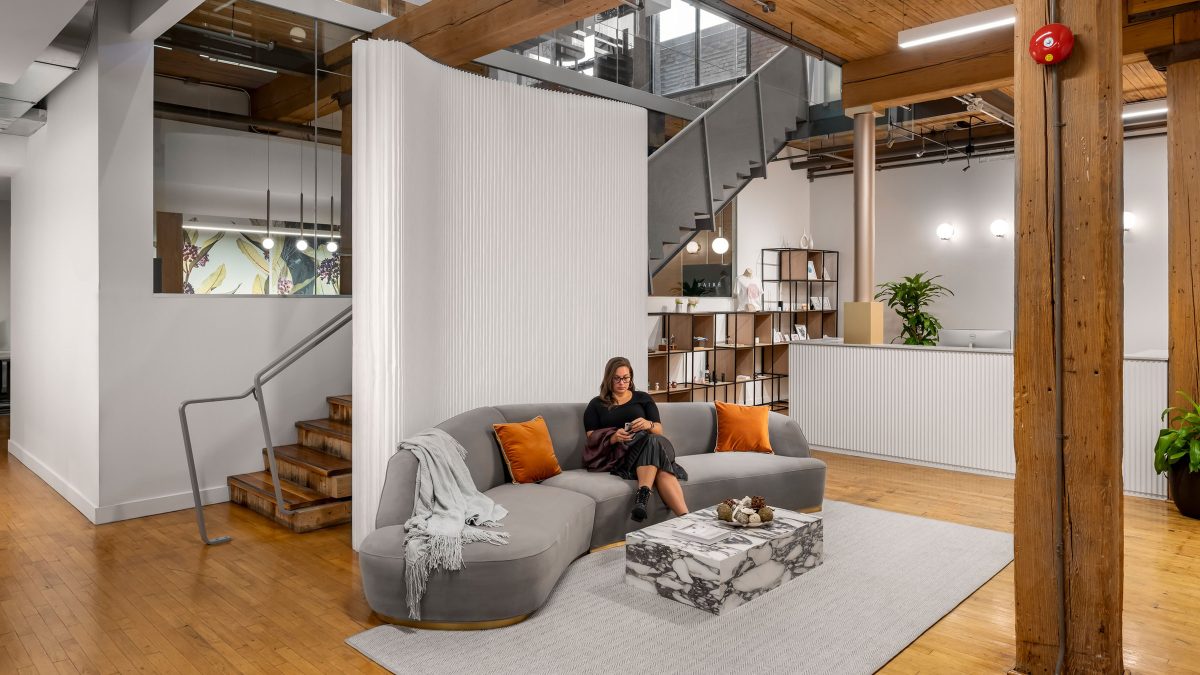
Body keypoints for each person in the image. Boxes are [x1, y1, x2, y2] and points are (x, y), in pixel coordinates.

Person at [583, 356, 688, 522]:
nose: (622, 382)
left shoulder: (643, 398)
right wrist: (613, 437)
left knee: (653, 440)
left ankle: (642, 499)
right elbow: (591, 438)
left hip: (655, 444)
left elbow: (659, 430)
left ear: (631, 378)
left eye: (626, 378)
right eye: (617, 378)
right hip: (625, 455)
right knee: (661, 468)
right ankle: (687, 520)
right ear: (608, 378)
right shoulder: (596, 404)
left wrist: (648, 424)